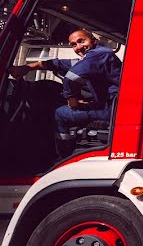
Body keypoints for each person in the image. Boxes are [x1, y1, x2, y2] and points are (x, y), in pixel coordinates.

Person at [10, 29, 121, 158]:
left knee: (61, 113)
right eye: (74, 45)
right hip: (111, 105)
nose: (78, 47)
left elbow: (71, 77)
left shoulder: (98, 55)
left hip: (111, 109)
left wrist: (71, 98)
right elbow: (58, 64)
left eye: (81, 41)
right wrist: (27, 68)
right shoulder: (93, 57)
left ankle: (64, 155)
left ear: (93, 40)